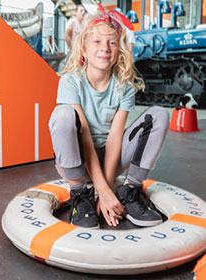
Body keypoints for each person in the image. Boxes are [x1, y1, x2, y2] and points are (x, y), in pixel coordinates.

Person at [49, 13, 168, 229]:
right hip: (78, 158)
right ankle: (80, 195)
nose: (105, 48)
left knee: (159, 114)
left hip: (111, 160)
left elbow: (115, 138)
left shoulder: (124, 86)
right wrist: (101, 191)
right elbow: (84, 136)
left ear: (119, 51)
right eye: (97, 41)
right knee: (63, 114)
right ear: (84, 48)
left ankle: (130, 191)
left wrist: (109, 189)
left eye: (112, 42)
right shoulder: (70, 81)